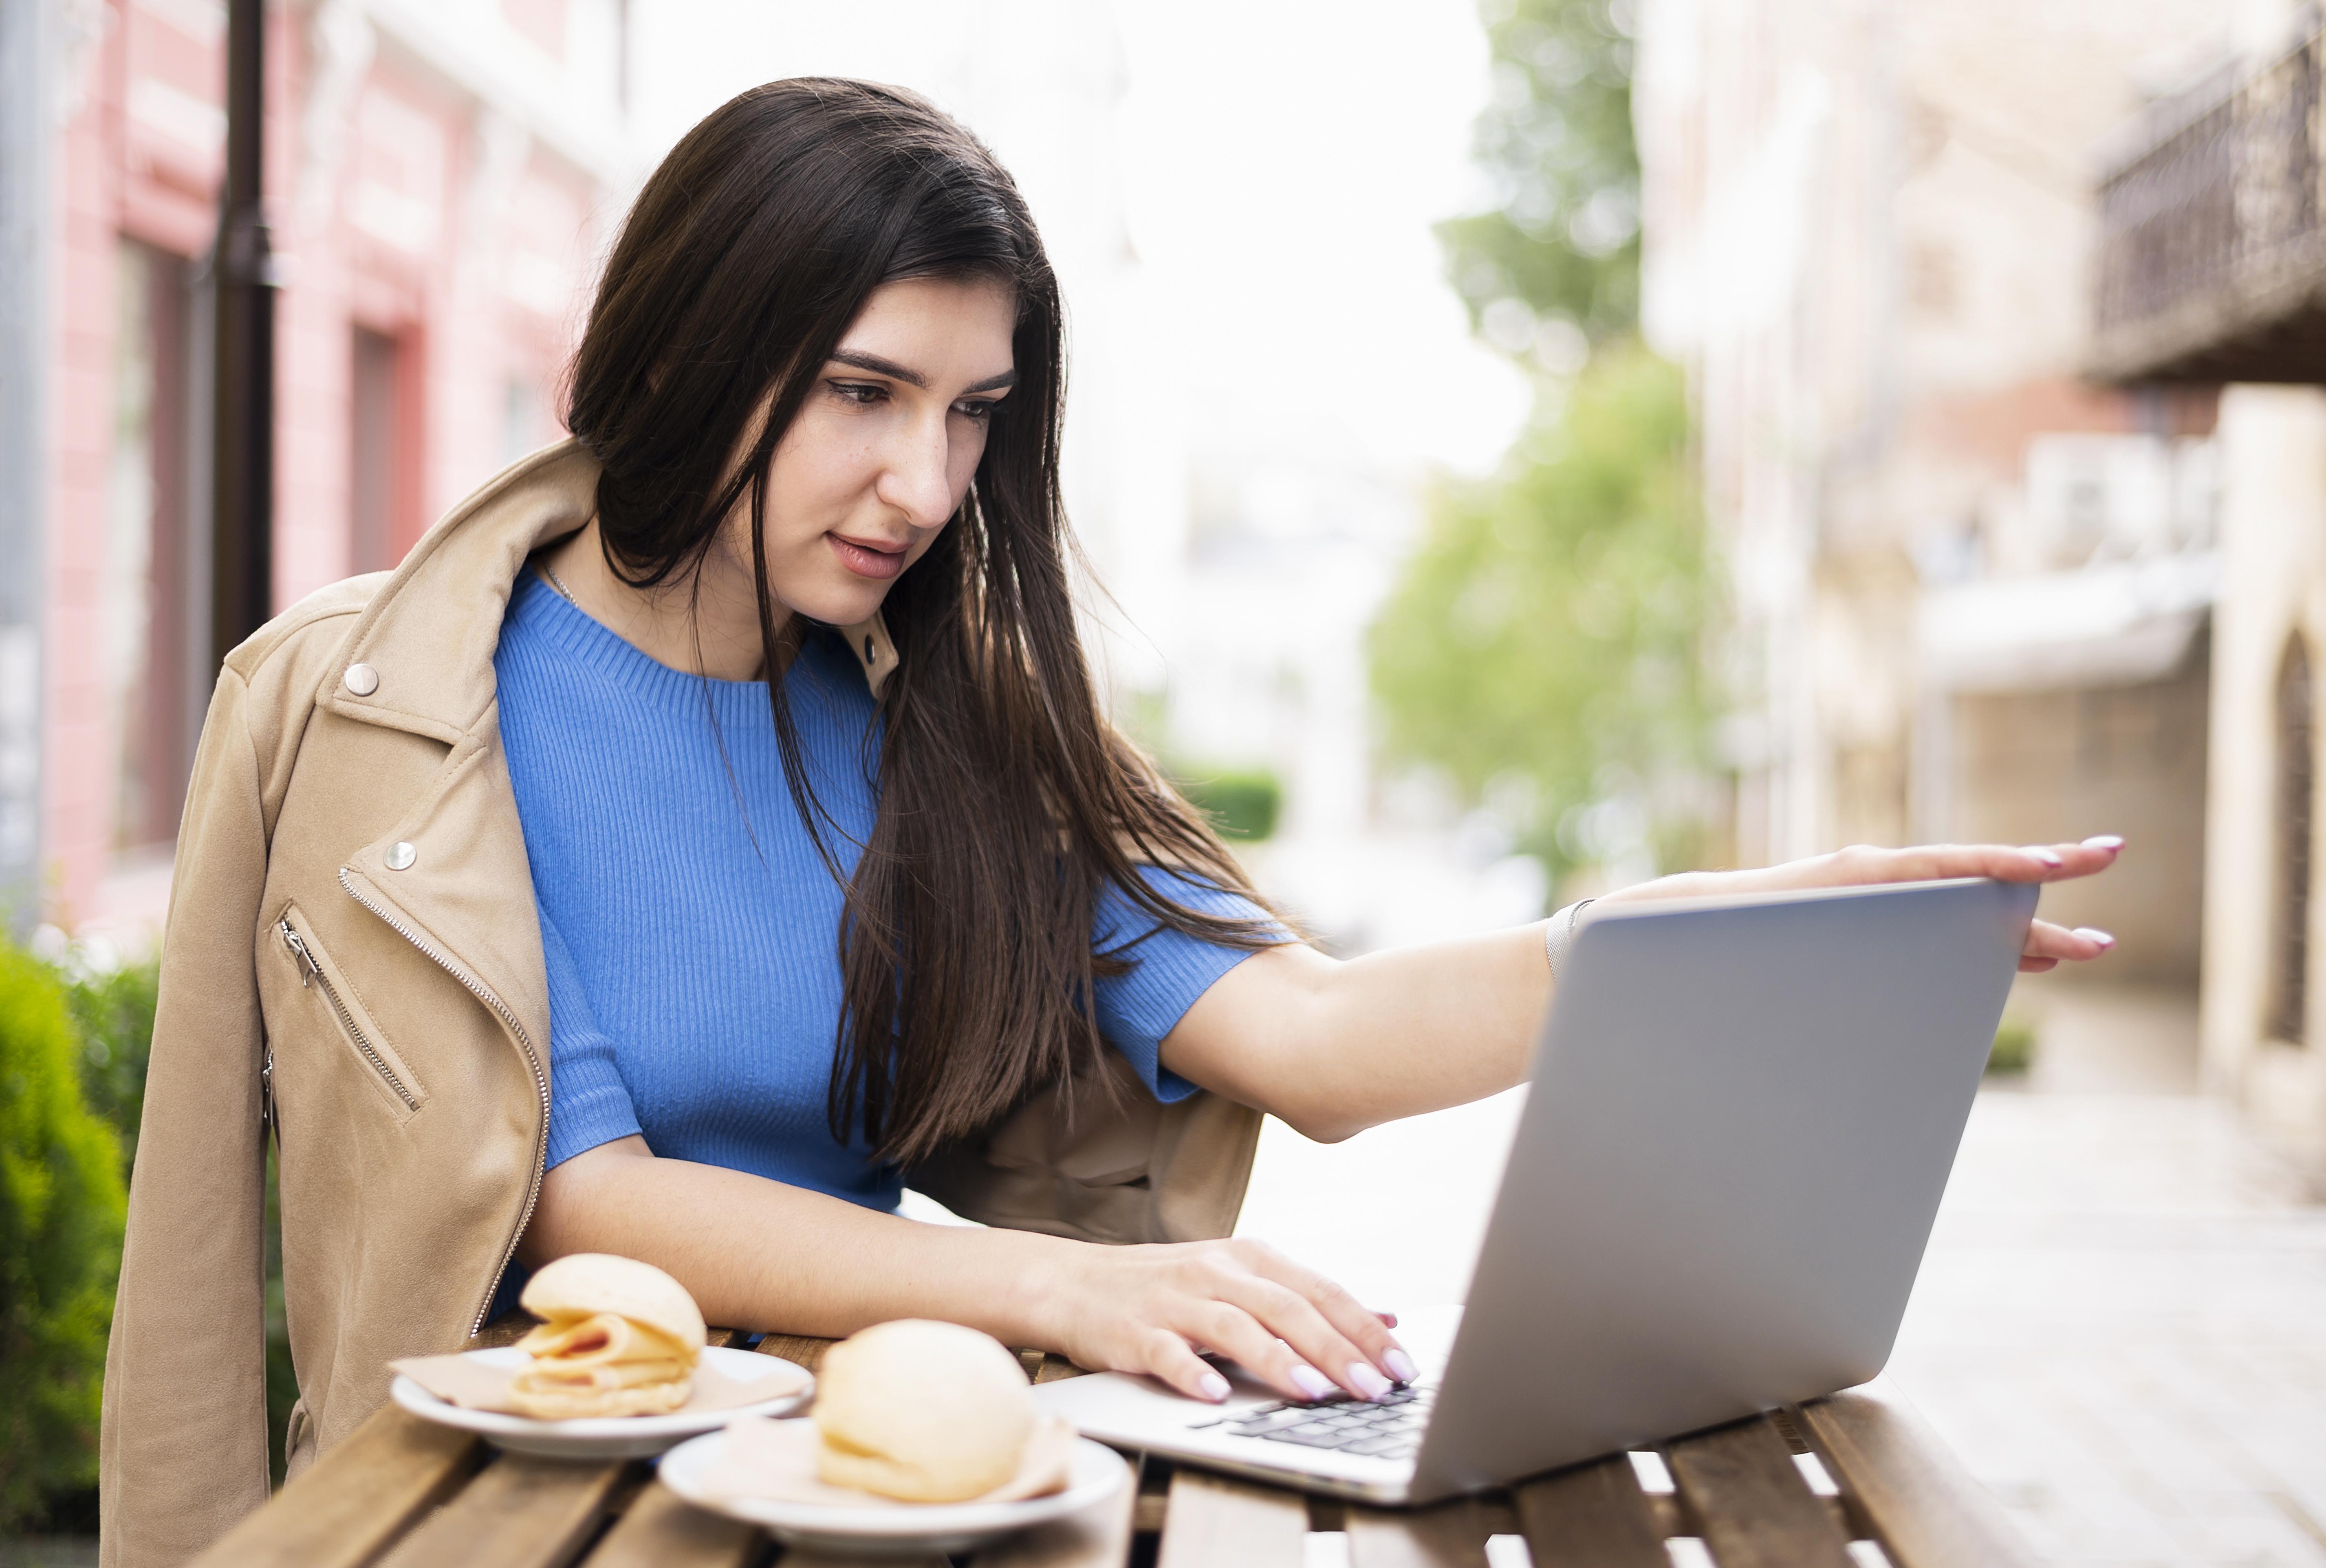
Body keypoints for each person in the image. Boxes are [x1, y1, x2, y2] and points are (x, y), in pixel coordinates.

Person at [97, 78, 2120, 1567]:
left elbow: (1311, 1043)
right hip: (505, 1515)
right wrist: (1070, 1296)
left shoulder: (939, 737)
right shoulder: (381, 701)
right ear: (695, 346)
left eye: (974, 415)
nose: (923, 478)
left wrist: (1724, 930)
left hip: (876, 1490)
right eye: (866, 393)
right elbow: (565, 1198)